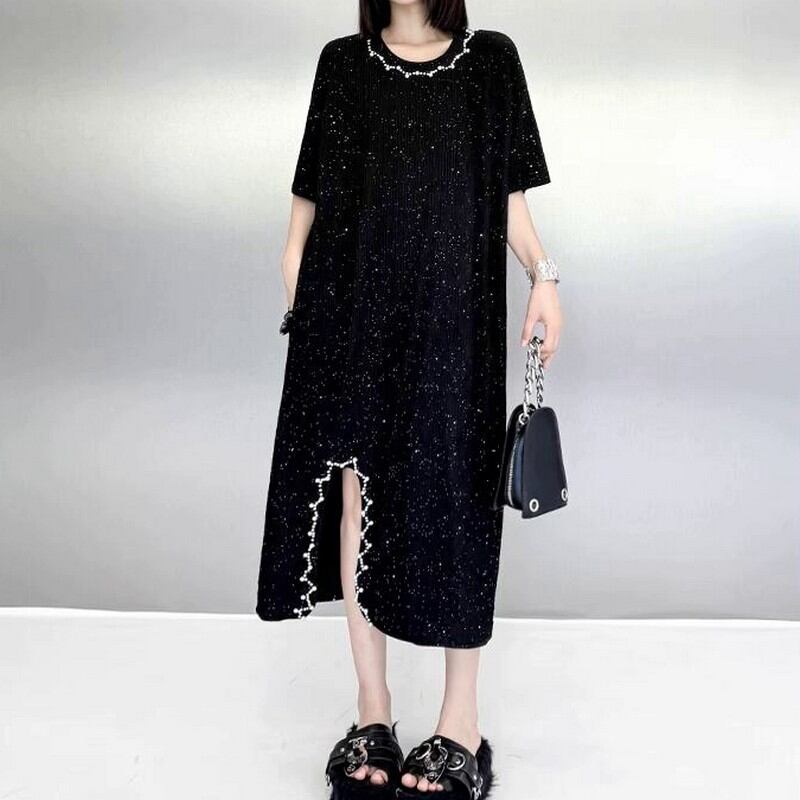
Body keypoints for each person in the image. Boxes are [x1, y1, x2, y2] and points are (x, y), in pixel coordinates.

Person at [256, 0, 562, 796]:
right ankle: (373, 715)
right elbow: (309, 201)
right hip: (353, 313)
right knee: (358, 496)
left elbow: (508, 196)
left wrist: (543, 277)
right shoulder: (343, 64)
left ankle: (461, 724)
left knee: (459, 498)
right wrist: (298, 275)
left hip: (455, 325)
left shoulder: (490, 61)